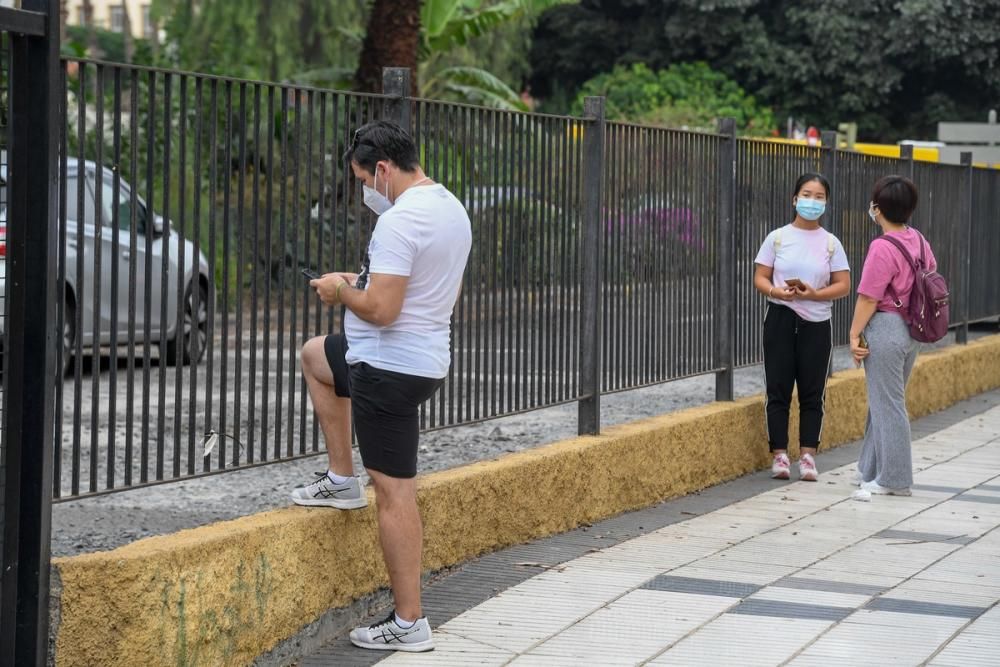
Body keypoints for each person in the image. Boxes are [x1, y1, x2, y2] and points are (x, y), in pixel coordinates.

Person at [290, 120, 472, 652]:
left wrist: (339, 293)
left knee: (394, 493)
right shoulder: (449, 208)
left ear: (384, 170)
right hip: (418, 360)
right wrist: (356, 283)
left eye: (364, 180)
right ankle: (340, 478)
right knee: (317, 356)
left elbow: (384, 310)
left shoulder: (398, 221)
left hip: (386, 369)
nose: (365, 191)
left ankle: (409, 621)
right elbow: (408, 288)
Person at [753, 173, 851, 481]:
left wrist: (815, 294)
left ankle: (808, 456)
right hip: (780, 317)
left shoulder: (831, 243)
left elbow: (844, 285)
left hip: (817, 322)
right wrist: (775, 292)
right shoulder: (777, 237)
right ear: (795, 199)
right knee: (778, 389)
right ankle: (779, 455)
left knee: (813, 392)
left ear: (826, 202)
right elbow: (760, 277)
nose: (812, 201)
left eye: (819, 196)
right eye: (807, 194)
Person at [849, 175, 933, 498]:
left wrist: (854, 333)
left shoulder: (882, 247)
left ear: (877, 208)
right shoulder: (919, 240)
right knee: (882, 402)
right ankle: (869, 468)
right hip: (912, 330)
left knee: (889, 405)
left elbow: (869, 297)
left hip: (886, 327)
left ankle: (894, 480)